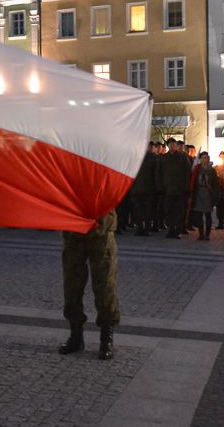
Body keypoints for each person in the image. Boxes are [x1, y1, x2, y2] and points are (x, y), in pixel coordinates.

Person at [58, 211, 119, 361]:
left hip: (101, 229)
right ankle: (76, 336)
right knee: (72, 285)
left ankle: (106, 339)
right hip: (73, 227)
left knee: (105, 286)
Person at [157, 139, 191, 239]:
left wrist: (186, 187)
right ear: (168, 146)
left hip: (180, 190)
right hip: (167, 189)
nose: (172, 146)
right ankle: (170, 229)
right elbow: (159, 173)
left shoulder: (182, 158)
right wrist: (160, 186)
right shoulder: (163, 158)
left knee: (179, 212)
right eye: (170, 144)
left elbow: (187, 173)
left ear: (176, 146)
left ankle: (177, 230)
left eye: (174, 144)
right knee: (168, 211)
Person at [189, 152, 218, 241]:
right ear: (200, 159)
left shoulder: (212, 170)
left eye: (206, 158)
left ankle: (207, 234)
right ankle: (201, 234)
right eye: (203, 158)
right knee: (199, 215)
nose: (204, 159)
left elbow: (215, 184)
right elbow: (193, 181)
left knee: (208, 215)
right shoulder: (197, 169)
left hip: (208, 194)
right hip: (199, 193)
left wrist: (215, 196)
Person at [131, 142, 156, 236]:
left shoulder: (151, 157)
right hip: (139, 189)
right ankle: (142, 227)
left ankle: (143, 228)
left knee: (144, 210)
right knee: (141, 210)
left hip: (144, 188)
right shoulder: (135, 157)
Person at [215, 151, 224, 230]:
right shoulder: (216, 167)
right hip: (218, 190)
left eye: (223, 156)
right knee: (219, 207)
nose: (222, 158)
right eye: (221, 157)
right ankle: (220, 222)